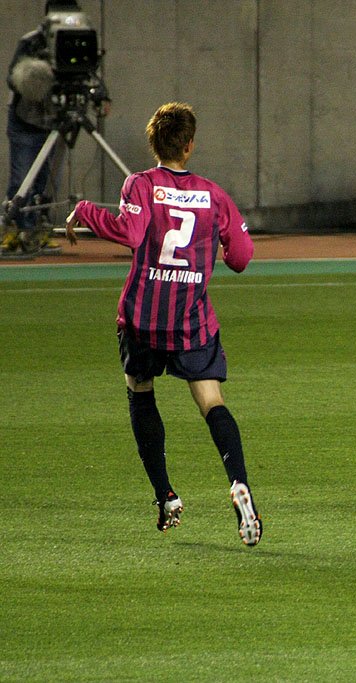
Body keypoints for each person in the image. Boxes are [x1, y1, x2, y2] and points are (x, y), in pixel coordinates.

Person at [64, 102, 262, 546]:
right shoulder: (213, 194)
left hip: (142, 318)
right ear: (189, 146)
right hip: (191, 320)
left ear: (153, 142)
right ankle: (238, 481)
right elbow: (241, 257)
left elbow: (129, 233)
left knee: (140, 391)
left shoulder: (141, 184)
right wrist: (223, 247)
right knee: (211, 401)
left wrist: (85, 210)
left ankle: (166, 495)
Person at [3, 1, 110, 256]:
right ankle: (14, 231)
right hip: (26, 121)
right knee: (23, 179)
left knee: (46, 182)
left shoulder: (82, 38)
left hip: (55, 120)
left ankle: (38, 232)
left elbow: (88, 70)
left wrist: (101, 96)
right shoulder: (32, 42)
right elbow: (13, 78)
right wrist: (40, 74)